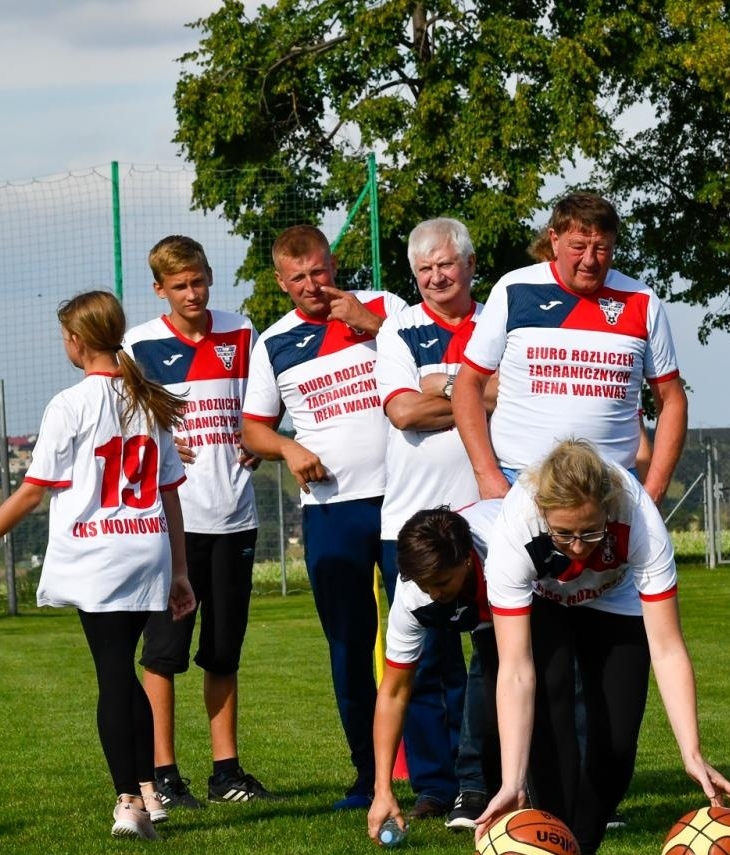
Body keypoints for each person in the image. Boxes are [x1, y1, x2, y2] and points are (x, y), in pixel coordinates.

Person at [0, 291, 195, 840]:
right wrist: (180, 570)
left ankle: (129, 803)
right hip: (146, 548)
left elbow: (30, 495)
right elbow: (170, 493)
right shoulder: (147, 400)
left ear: (76, 341)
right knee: (124, 669)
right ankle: (149, 790)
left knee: (113, 672)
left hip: (98, 554)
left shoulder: (69, 405)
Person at [472, 439, 730, 855]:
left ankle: (586, 848)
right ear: (542, 513)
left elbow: (668, 647)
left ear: (608, 509)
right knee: (550, 711)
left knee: (617, 735)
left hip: (615, 599)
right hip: (545, 597)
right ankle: (556, 843)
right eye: (564, 534)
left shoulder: (639, 518)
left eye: (590, 532)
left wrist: (691, 752)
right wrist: (511, 780)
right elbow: (517, 670)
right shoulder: (515, 529)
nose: (578, 547)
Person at [241, 224, 407, 810]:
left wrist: (374, 327)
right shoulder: (275, 343)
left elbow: (438, 358)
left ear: (333, 263)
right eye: (299, 278)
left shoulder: (385, 306)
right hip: (332, 511)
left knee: (429, 636)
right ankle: (369, 776)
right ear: (282, 284)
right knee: (348, 645)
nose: (313, 286)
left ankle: (451, 781)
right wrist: (287, 448)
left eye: (319, 271)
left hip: (406, 498)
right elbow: (252, 428)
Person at [123, 235, 272, 810]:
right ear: (160, 289)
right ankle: (163, 773)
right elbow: (129, 424)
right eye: (180, 286)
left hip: (235, 516)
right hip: (172, 524)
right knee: (163, 653)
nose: (193, 293)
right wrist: (158, 445)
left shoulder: (241, 330)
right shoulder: (140, 344)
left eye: (200, 281)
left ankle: (226, 771)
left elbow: (263, 404)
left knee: (223, 651)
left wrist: (259, 439)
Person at [451, 192, 688, 506]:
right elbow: (467, 384)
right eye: (578, 246)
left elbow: (671, 399)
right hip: (520, 482)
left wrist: (654, 489)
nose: (590, 260)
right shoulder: (515, 290)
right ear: (554, 239)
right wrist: (487, 474)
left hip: (612, 487)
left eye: (602, 248)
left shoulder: (641, 300)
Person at [374, 217, 491, 822]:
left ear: (470, 265)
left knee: (488, 661)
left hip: (489, 519)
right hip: (412, 520)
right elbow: (402, 413)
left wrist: (440, 389)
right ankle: (433, 786)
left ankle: (483, 781)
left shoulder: (496, 319)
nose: (437, 278)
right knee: (422, 667)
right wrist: (471, 391)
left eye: (447, 265)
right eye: (425, 270)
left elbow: (513, 395)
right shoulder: (399, 329)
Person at [366, 502, 504, 844]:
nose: (435, 594)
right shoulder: (415, 592)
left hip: (544, 592)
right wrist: (382, 788)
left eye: (442, 582)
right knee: (487, 678)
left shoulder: (506, 554)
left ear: (467, 558)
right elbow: (394, 691)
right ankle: (475, 787)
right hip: (485, 609)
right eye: (426, 585)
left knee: (559, 679)